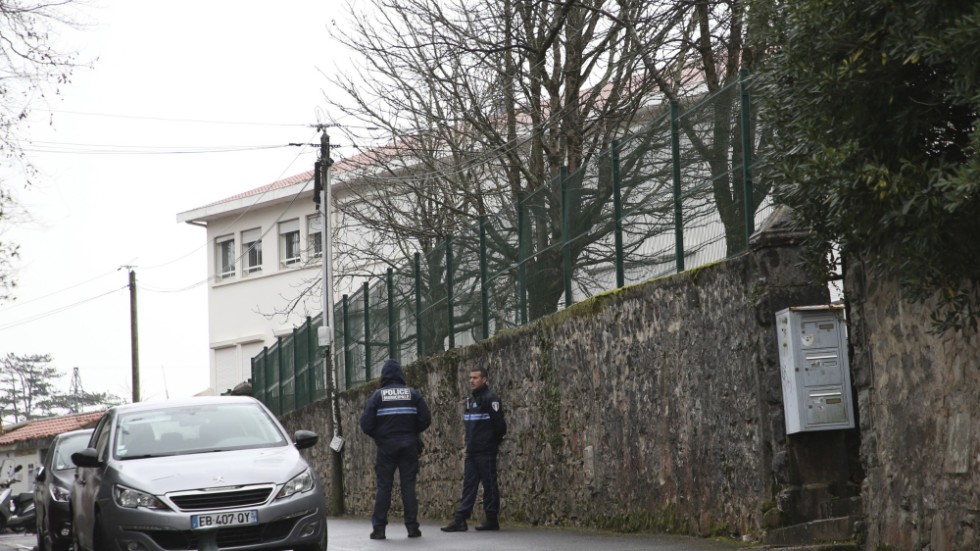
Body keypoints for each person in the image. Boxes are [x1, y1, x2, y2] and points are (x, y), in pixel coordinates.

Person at [360, 359, 432, 540]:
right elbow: (426, 419)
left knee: (384, 486)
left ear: (383, 376)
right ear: (401, 375)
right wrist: (412, 432)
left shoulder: (378, 396)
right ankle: (412, 528)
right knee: (408, 486)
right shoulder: (413, 394)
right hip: (409, 445)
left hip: (386, 447)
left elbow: (366, 424)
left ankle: (379, 529)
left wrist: (380, 437)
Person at [441, 366, 507, 532]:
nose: (471, 380)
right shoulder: (471, 400)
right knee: (469, 486)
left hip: (486, 450)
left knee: (489, 484)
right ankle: (460, 519)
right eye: (470, 378)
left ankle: (492, 519)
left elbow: (500, 426)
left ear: (484, 379)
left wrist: (492, 442)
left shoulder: (491, 399)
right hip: (472, 450)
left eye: (475, 378)